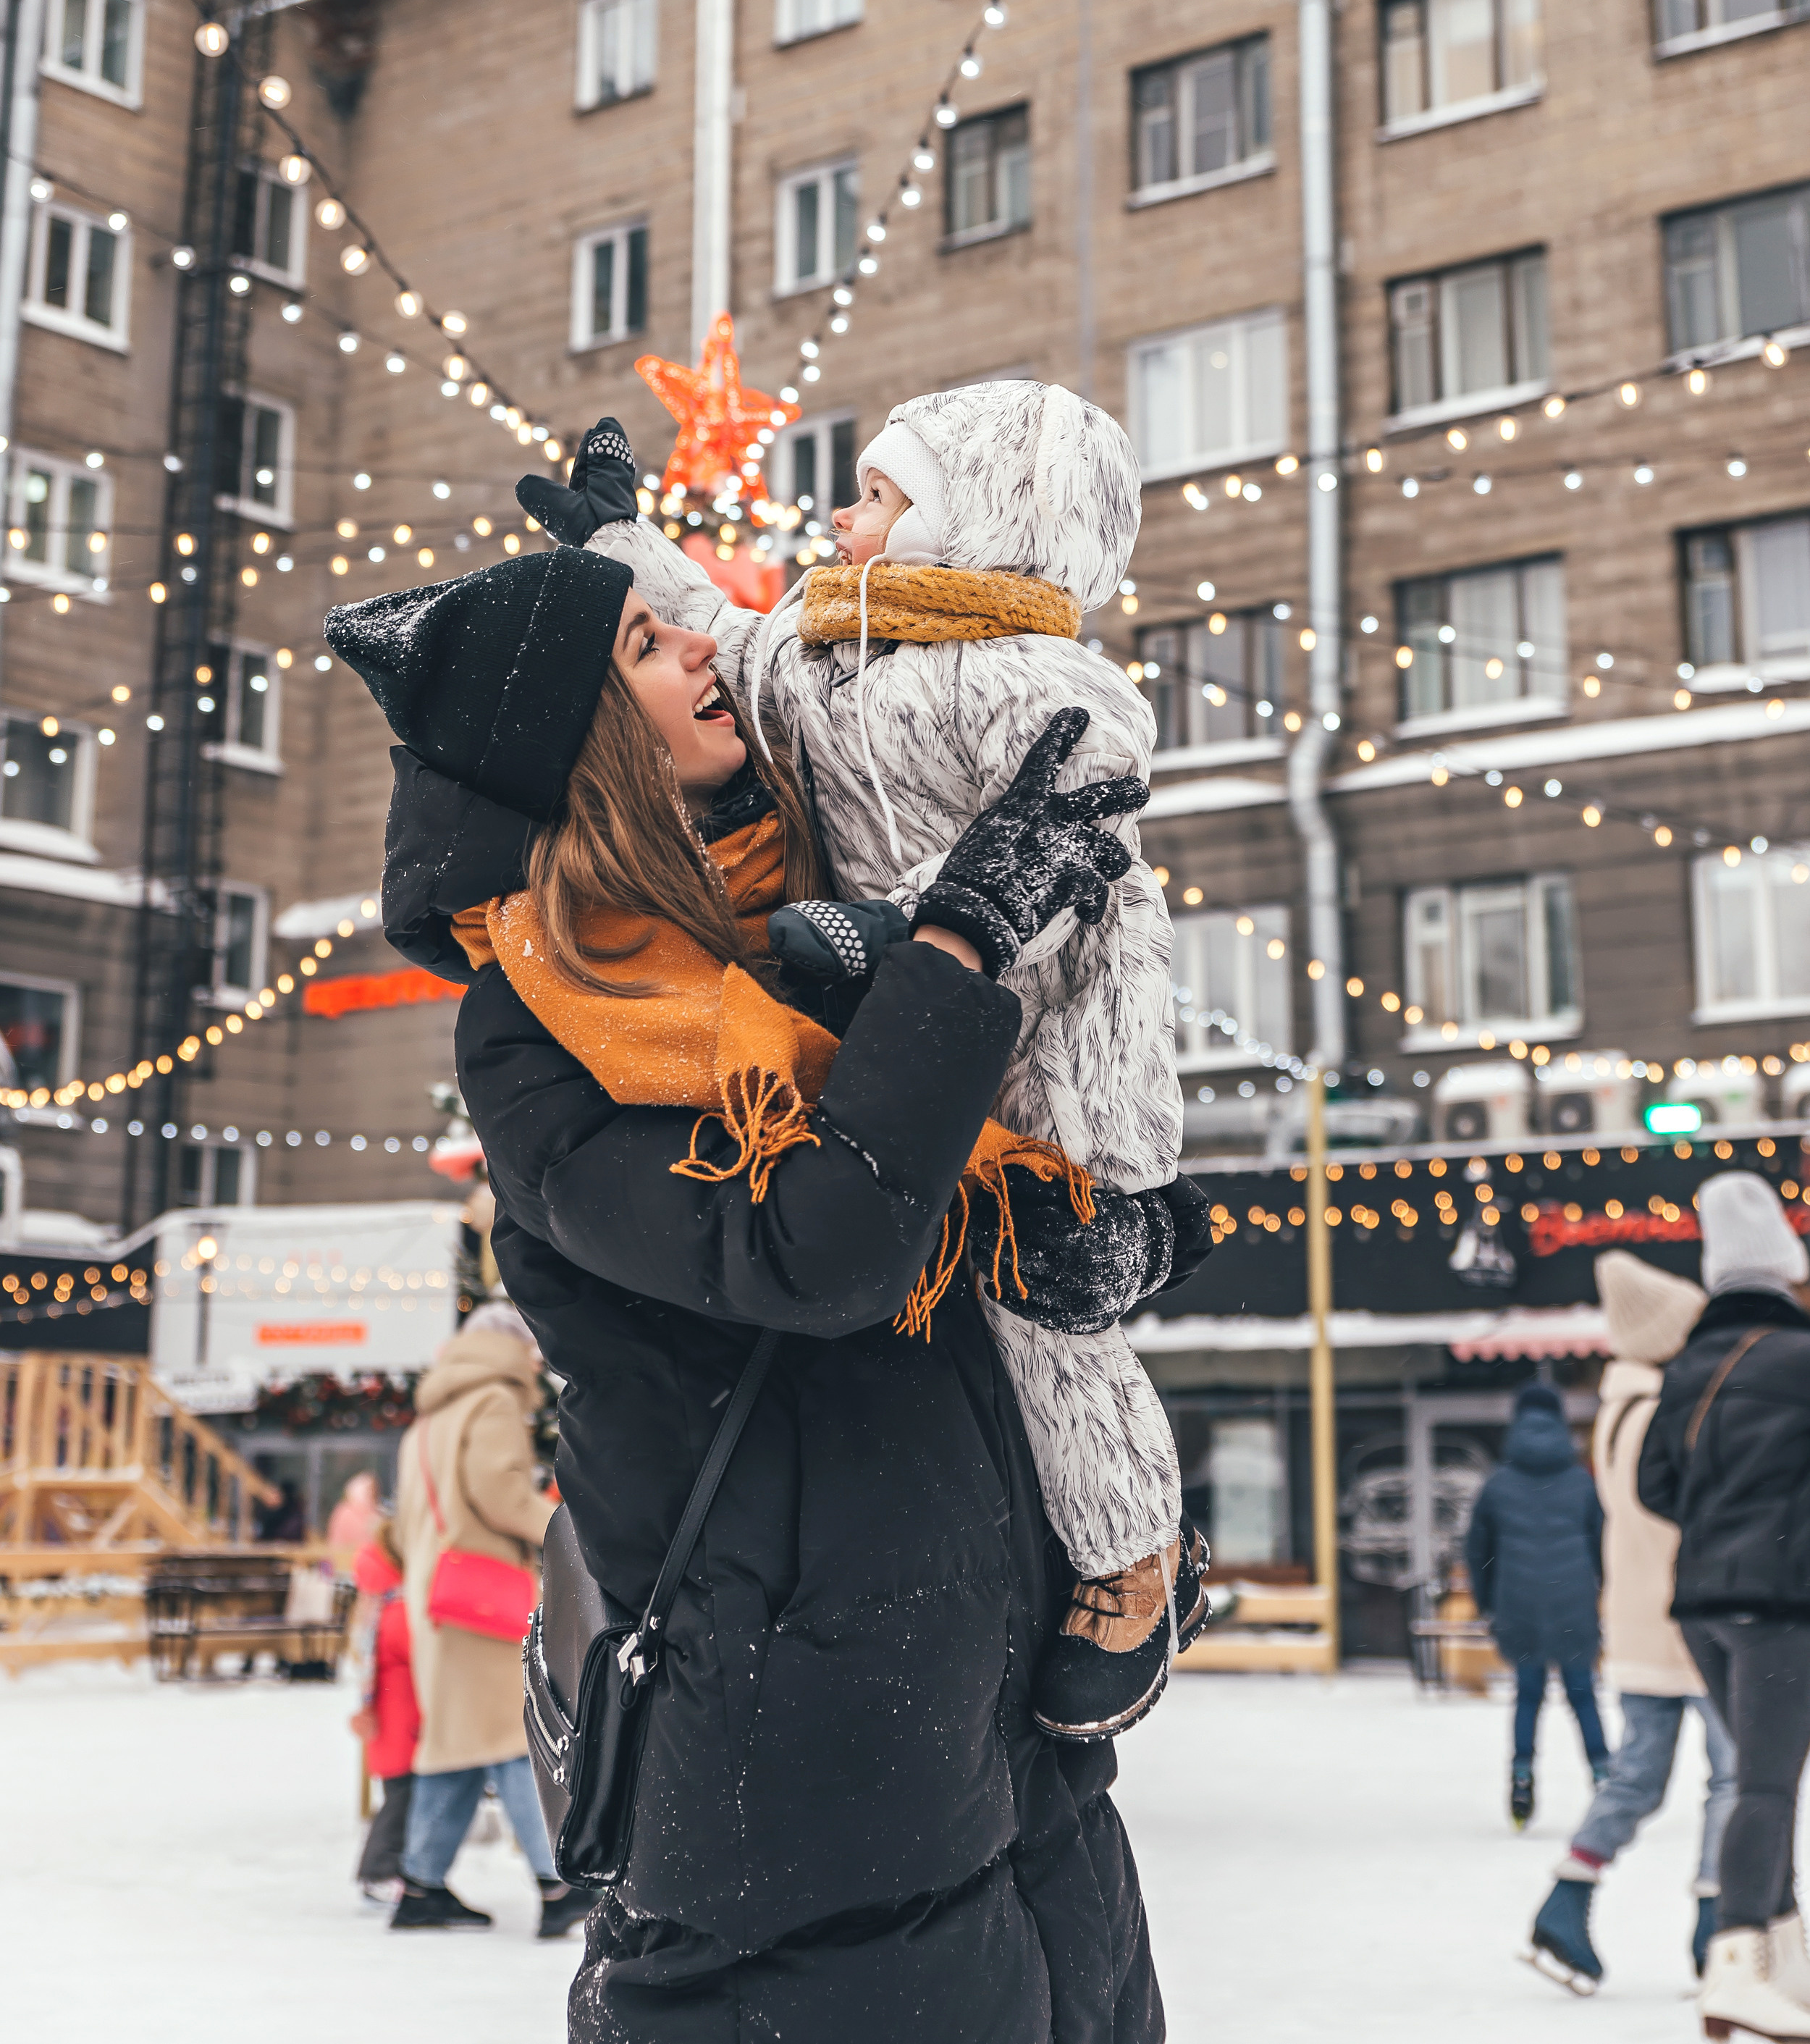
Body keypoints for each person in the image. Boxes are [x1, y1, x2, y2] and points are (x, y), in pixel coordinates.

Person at [331, 544, 1184, 2043]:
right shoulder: (539, 1034)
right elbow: (816, 1250)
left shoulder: (789, 939)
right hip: (789, 1796)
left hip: (1002, 1757)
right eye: (652, 648)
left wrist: (1138, 1241)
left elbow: (1000, 1184)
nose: (705, 655)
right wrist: (961, 932)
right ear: (582, 740)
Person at [520, 386, 1200, 1739]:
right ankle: (1032, 1556)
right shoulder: (824, 654)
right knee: (934, 1271)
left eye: (882, 499)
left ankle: (1136, 1559)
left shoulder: (1045, 682)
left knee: (1045, 1305)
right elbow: (707, 636)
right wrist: (623, 546)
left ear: (975, 528)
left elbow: (1074, 833)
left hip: (1058, 1025)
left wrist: (919, 921)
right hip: (894, 1005)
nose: (843, 516)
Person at [1525, 1252, 1734, 1993]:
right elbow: (1685, 1514)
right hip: (1694, 1619)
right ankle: (1720, 1930)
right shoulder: (1664, 1411)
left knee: (1639, 1777)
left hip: (1644, 1622)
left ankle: (1567, 1894)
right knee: (1733, 1774)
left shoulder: (1620, 1405)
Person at [1639, 1169, 1810, 2040]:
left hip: (1702, 1604)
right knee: (1767, 1784)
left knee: (1760, 1779)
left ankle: (1784, 1962)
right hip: (1779, 1604)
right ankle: (1740, 1957)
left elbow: (1654, 1486)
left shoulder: (1689, 1366)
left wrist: (1725, 1522)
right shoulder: (1801, 1359)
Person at [392, 1303, 588, 1938]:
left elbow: (404, 1525)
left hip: (436, 1598)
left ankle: (421, 1885)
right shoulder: (495, 1403)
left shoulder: (426, 1419)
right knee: (513, 1736)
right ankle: (558, 1883)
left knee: (455, 1744)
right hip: (483, 1599)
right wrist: (568, 1531)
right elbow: (501, 1493)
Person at [1464, 1381, 1606, 1828]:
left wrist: (1487, 1602)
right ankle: (1604, 1779)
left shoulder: (1498, 1485)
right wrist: (1596, 1590)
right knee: (1583, 1694)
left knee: (1528, 1695)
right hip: (1574, 1600)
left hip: (1518, 1601)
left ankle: (1522, 1780)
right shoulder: (1581, 1481)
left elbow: (1477, 1551)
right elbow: (1602, 1543)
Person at [350, 1517, 420, 1901]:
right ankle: (378, 1870)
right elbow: (415, 1652)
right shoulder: (400, 1609)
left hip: (392, 1723)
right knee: (400, 1802)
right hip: (402, 1724)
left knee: (401, 1799)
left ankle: (387, 1868)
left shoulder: (381, 1603)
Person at [327, 1470, 382, 1557]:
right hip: (347, 1559)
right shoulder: (346, 1513)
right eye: (369, 1490)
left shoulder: (375, 1514)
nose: (373, 1494)